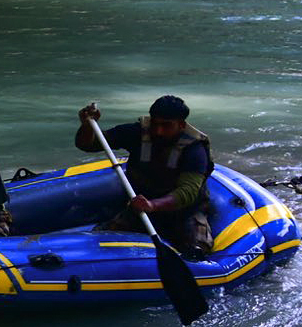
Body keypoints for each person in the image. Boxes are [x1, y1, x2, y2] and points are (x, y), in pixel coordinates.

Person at [75, 95, 213, 255]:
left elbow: (188, 192)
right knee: (101, 240)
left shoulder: (194, 149)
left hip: (183, 213)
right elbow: (89, 144)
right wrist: (87, 125)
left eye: (166, 126)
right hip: (141, 209)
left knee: (198, 251)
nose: (158, 131)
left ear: (181, 125)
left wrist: (153, 205)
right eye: (155, 124)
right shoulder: (137, 132)